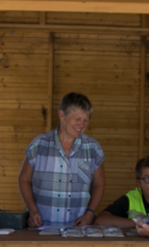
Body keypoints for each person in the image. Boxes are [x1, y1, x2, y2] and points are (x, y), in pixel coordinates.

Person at [18, 92, 105, 228]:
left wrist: (90, 213)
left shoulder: (93, 148)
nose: (81, 124)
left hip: (77, 230)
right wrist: (32, 211)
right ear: (62, 115)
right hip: (41, 227)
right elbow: (24, 179)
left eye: (86, 120)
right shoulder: (39, 144)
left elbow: (99, 184)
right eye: (77, 119)